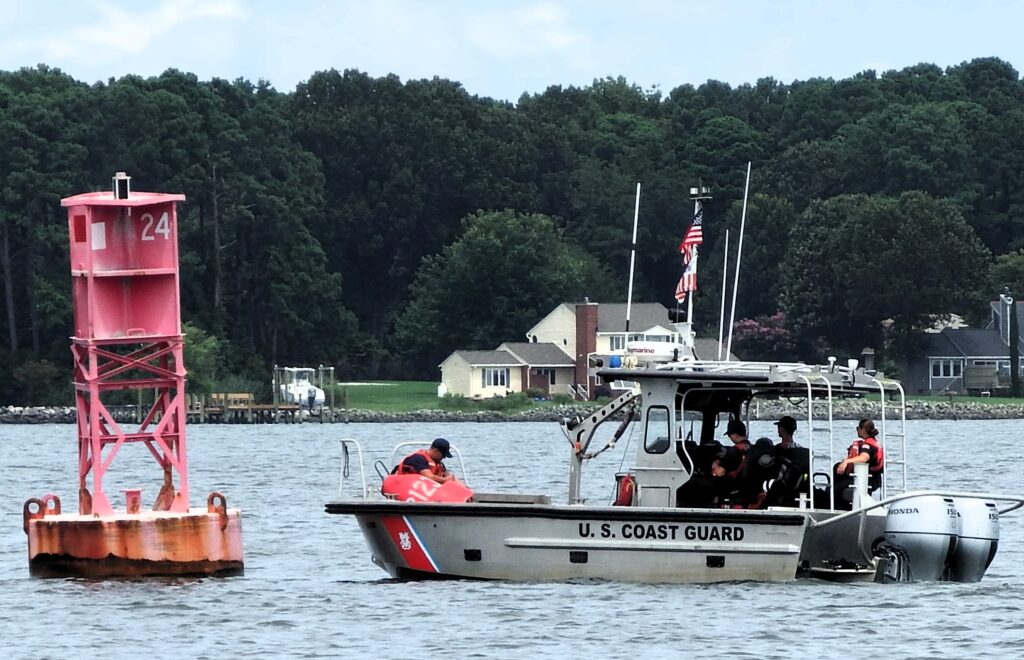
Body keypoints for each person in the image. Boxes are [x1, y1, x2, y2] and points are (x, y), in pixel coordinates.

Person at [833, 419, 885, 506]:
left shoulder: (867, 445)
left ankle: (838, 507)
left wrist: (847, 461)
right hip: (873, 480)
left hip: (866, 480)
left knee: (836, 489)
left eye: (858, 428)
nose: (857, 431)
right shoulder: (873, 443)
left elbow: (864, 457)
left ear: (863, 429)